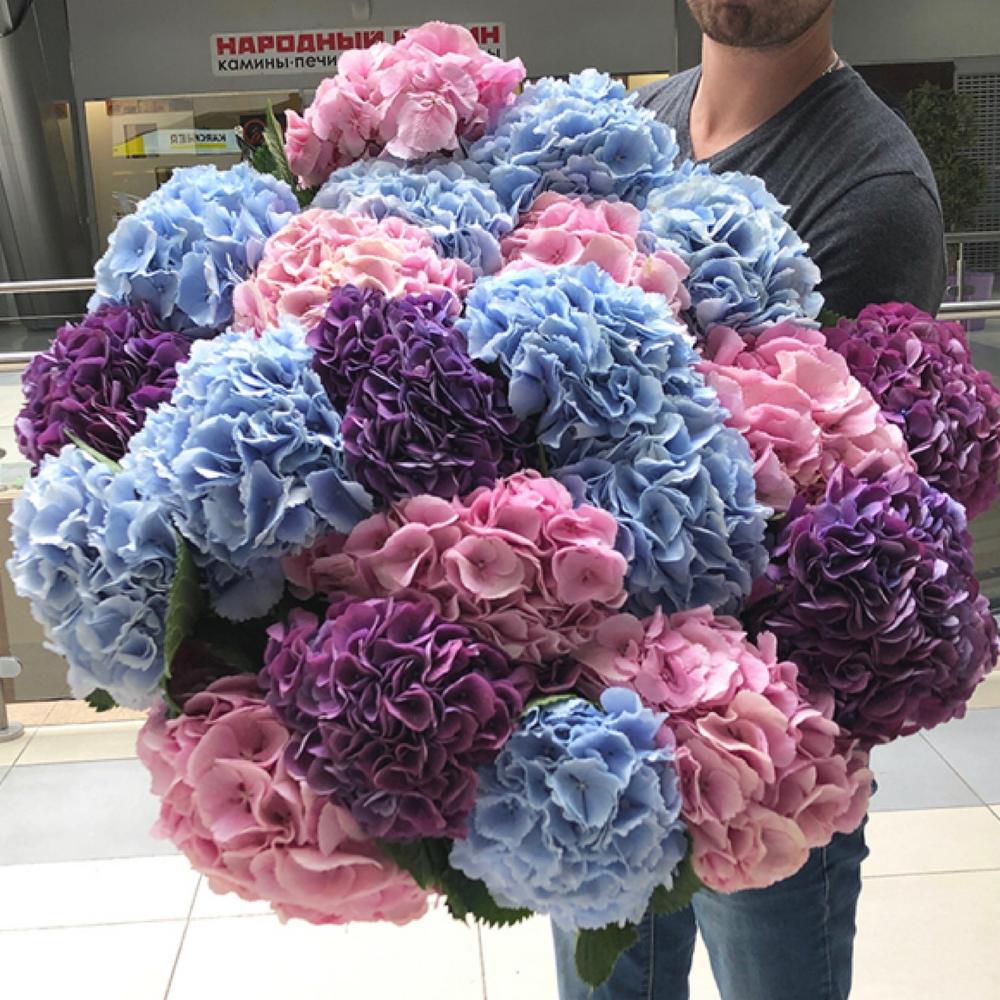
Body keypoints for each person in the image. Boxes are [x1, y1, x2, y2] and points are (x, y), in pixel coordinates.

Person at [553, 2, 946, 998]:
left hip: (763, 734)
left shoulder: (872, 185)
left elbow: (824, 519)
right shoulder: (639, 124)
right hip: (598, 704)